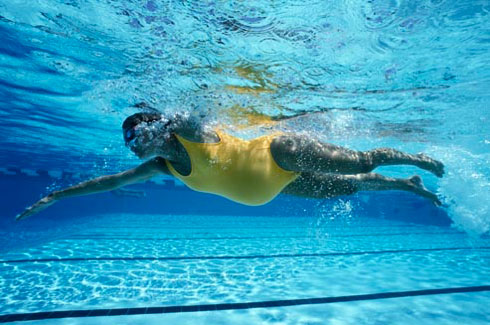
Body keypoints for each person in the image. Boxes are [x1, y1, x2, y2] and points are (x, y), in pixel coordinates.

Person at [16, 105, 444, 221]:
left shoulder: (190, 132)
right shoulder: (160, 167)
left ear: (156, 129)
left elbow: (194, 109)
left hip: (280, 153)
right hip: (277, 185)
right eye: (127, 139)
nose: (130, 144)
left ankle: (415, 159)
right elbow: (108, 183)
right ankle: (406, 183)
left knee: (358, 163)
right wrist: (56, 195)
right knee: (348, 187)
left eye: (135, 133)